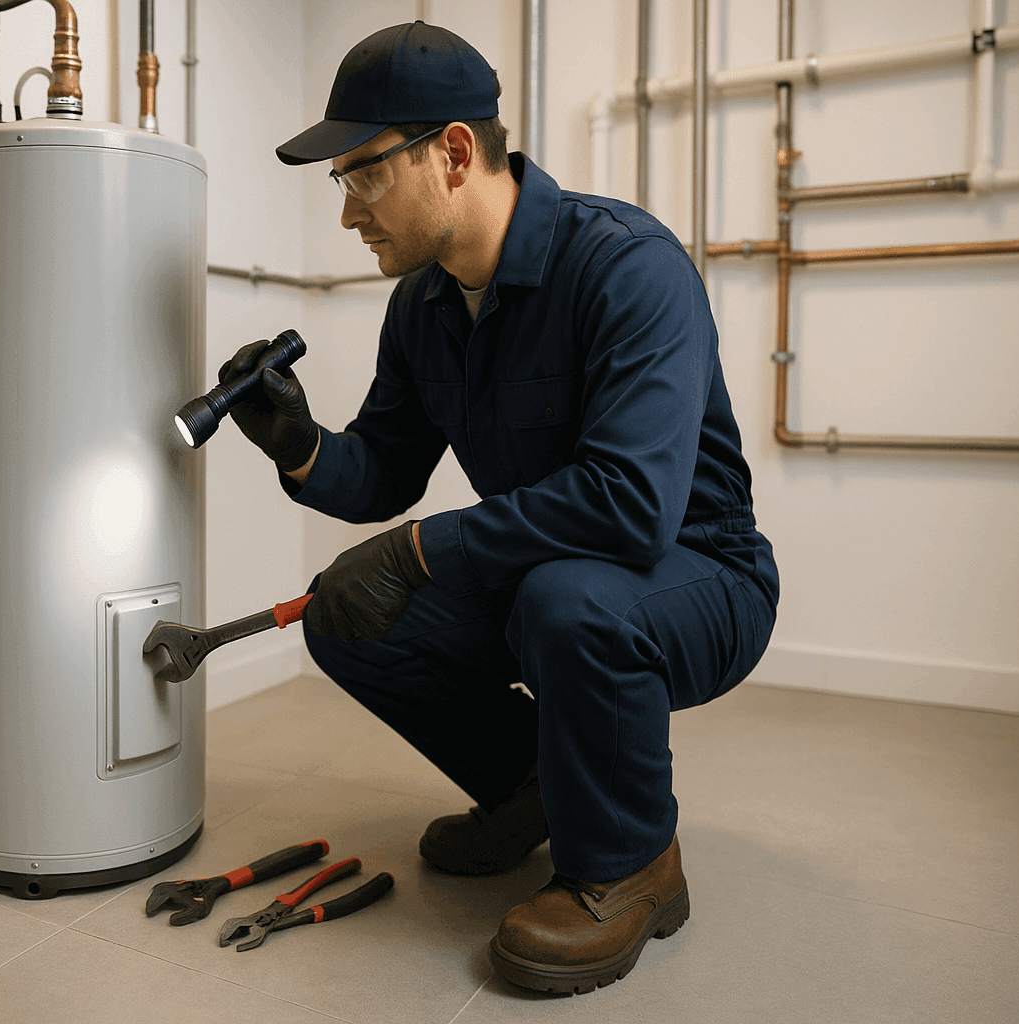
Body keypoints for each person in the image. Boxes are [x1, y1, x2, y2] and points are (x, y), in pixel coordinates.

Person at [218, 21, 779, 994]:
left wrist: (421, 550)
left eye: (362, 174)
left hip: (700, 575)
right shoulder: (424, 304)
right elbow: (389, 471)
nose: (349, 212)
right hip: (551, 576)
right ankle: (534, 785)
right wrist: (300, 445)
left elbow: (634, 505)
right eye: (340, 181)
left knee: (568, 600)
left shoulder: (625, 266)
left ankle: (634, 862)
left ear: (454, 152)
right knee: (347, 615)